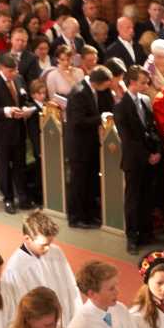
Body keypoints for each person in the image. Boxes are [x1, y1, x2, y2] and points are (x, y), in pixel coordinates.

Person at [114, 66, 164, 254]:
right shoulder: (121, 106)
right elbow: (127, 138)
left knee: (147, 197)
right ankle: (132, 236)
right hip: (135, 160)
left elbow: (152, 128)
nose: (146, 86)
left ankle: (146, 232)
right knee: (133, 199)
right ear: (132, 83)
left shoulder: (145, 100)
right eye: (143, 82)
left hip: (150, 158)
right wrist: (146, 155)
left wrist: (157, 151)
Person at [2, 210, 81, 324]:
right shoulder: (15, 269)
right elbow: (18, 309)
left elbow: (71, 286)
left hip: (66, 321)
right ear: (27, 239)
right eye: (43, 245)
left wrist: (77, 317)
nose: (48, 248)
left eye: (50, 243)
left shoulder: (56, 252)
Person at [0, 51, 36, 213]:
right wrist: (6, 111)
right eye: (11, 70)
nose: (14, 73)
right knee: (5, 167)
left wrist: (26, 109)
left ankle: (23, 197)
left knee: (20, 165)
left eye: (16, 69)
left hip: (18, 130)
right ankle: (8, 199)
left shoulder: (19, 79)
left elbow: (25, 99)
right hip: (2, 133)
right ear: (1, 68)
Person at [63, 63, 109, 228]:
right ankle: (76, 218)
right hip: (79, 146)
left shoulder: (90, 90)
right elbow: (78, 121)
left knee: (89, 182)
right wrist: (101, 118)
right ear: (98, 82)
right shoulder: (79, 92)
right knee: (78, 183)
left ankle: (88, 214)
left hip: (89, 144)